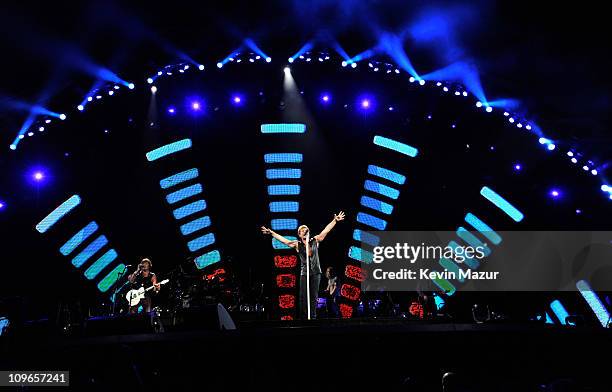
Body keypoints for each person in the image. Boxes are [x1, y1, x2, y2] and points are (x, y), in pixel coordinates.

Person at [261, 211, 345, 319]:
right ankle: (304, 318)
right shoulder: (297, 244)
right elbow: (285, 241)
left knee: (313, 296)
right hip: (304, 273)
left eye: (305, 229)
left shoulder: (315, 240)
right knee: (303, 297)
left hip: (316, 273)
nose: (304, 230)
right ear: (299, 234)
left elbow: (326, 230)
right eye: (302, 230)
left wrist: (335, 220)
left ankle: (313, 317)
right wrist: (271, 233)